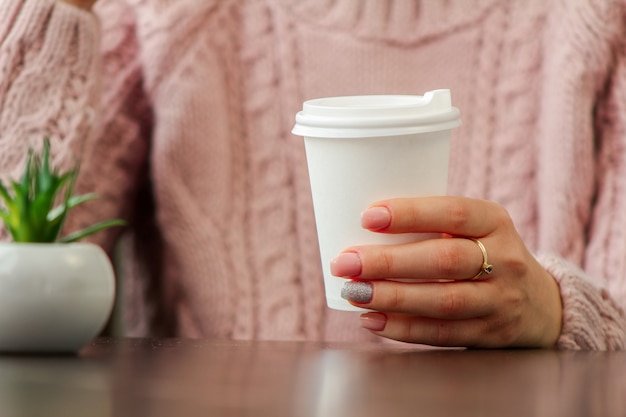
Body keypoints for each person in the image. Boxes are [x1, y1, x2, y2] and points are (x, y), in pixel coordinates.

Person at [1, 0, 625, 349]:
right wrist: (50, 16)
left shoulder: (594, 20)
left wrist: (557, 311)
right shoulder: (164, 16)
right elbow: (15, 291)